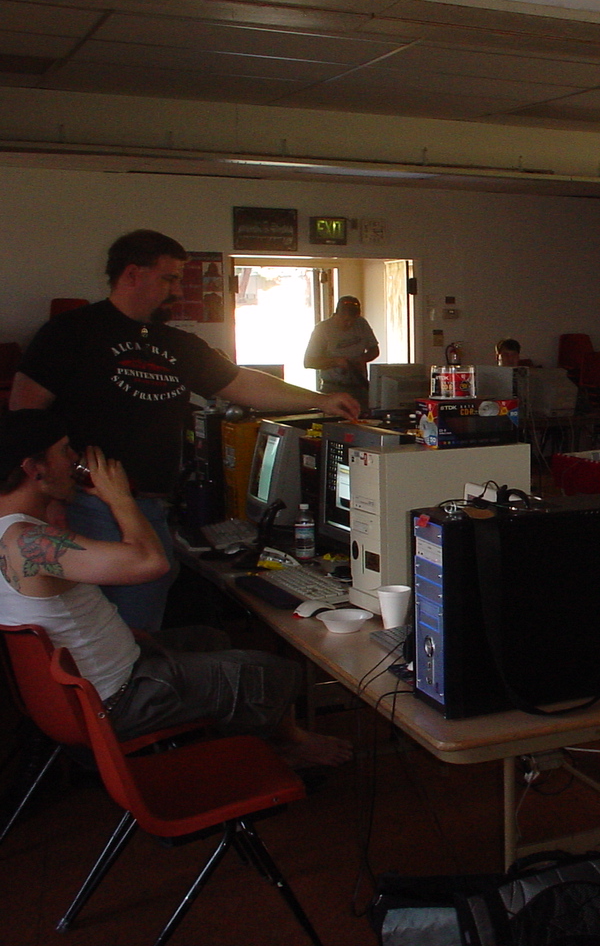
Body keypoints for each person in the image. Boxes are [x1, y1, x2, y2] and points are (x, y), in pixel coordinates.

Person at [10, 230, 362, 633]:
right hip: (87, 503)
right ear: (132, 274)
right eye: (169, 278)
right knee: (115, 625)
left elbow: (241, 383)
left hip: (150, 504)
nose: (177, 290)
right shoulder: (71, 332)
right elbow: (24, 418)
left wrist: (320, 400)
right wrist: (46, 503)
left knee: (144, 613)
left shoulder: (178, 344)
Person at [0, 409, 351, 766]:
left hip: (92, 684)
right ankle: (291, 747)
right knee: (268, 671)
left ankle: (242, 740)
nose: (74, 458)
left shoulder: (14, 531)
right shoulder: (30, 542)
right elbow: (151, 563)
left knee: (210, 639)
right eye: (64, 450)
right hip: (118, 699)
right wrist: (118, 497)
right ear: (34, 469)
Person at [304, 295, 380, 408]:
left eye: (353, 320)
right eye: (346, 320)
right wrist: (336, 362)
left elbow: (375, 350)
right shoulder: (322, 329)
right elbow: (309, 362)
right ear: (336, 314)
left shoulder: (362, 324)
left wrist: (362, 359)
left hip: (359, 387)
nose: (349, 324)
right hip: (333, 388)